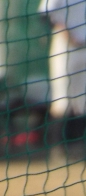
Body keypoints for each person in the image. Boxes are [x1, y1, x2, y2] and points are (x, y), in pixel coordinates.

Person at [39, 0, 86, 141]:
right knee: (62, 100)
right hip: (65, 47)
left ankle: (78, 146)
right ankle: (56, 147)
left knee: (81, 101)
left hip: (84, 47)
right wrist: (66, 33)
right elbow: (44, 14)